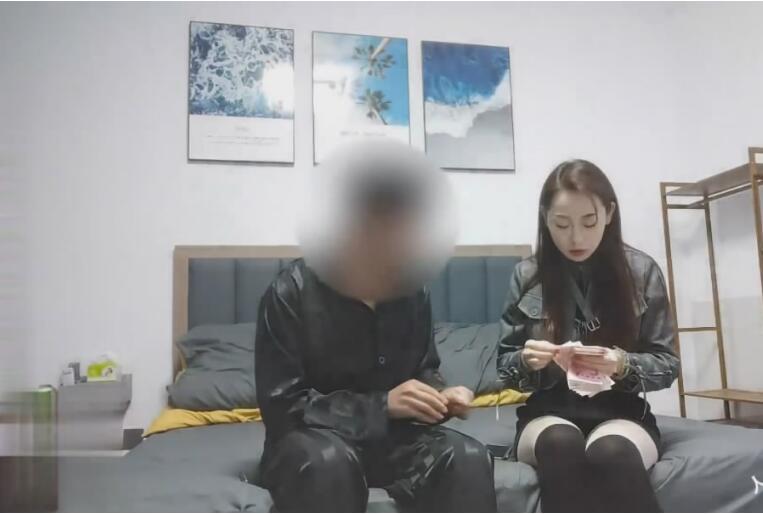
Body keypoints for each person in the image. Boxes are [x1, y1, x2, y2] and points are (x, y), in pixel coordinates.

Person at [255, 142, 497, 513]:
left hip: (394, 442)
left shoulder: (413, 291)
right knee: (329, 464)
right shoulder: (290, 292)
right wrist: (382, 406)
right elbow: (283, 408)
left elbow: (423, 370)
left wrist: (441, 397)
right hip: (311, 443)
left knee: (467, 457)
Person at [497, 159, 679, 512]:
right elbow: (505, 366)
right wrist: (527, 361)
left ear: (609, 214)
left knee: (611, 452)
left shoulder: (642, 272)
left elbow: (667, 364)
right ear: (545, 218)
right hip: (549, 413)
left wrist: (621, 364)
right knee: (561, 443)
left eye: (589, 221)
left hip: (621, 412)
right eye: (562, 224)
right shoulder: (527, 275)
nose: (576, 238)